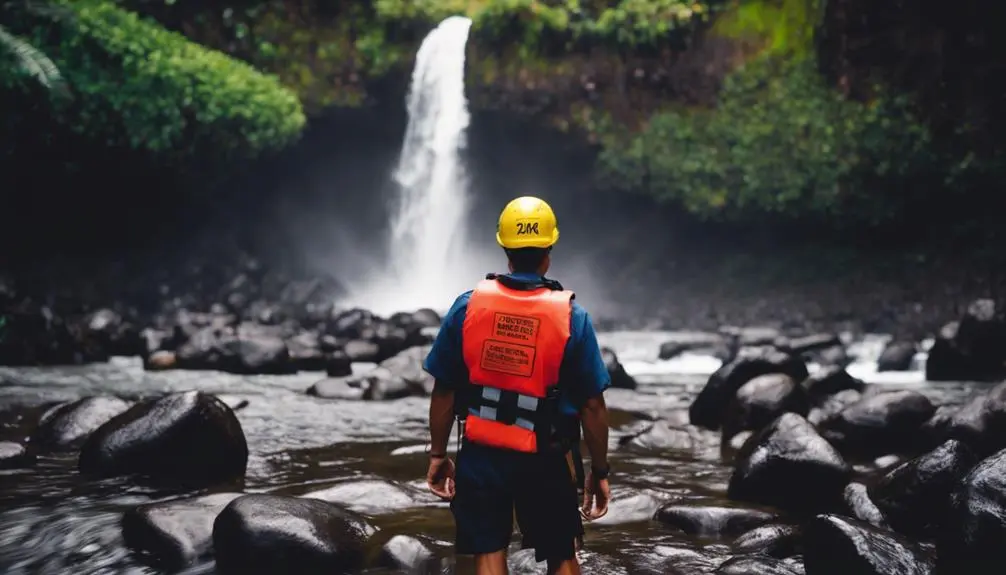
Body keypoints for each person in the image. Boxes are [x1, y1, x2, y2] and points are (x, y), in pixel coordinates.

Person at [423, 196, 612, 575]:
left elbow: (444, 390)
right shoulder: (573, 317)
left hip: (482, 452)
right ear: (549, 251)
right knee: (561, 553)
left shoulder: (467, 307)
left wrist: (438, 455)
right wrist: (600, 471)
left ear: (505, 251)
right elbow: (592, 405)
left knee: (490, 552)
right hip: (546, 454)